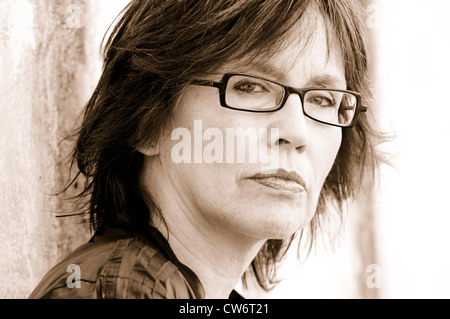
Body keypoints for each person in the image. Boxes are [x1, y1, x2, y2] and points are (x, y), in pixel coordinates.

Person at [29, 0, 384, 299]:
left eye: (322, 99)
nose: (296, 131)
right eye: (250, 86)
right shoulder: (120, 289)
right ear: (146, 122)